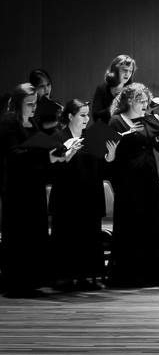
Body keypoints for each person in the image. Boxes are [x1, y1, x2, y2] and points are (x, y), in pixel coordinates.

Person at [0, 84, 66, 297]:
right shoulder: (9, 122)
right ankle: (17, 283)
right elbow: (13, 154)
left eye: (35, 104)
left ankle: (33, 281)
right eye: (29, 104)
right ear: (17, 104)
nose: (33, 108)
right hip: (17, 188)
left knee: (35, 231)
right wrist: (43, 154)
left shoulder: (34, 122)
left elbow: (41, 148)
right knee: (19, 233)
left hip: (34, 185)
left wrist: (54, 154)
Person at [49, 99, 117, 291]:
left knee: (89, 238)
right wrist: (68, 155)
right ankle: (65, 278)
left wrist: (110, 157)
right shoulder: (58, 136)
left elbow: (101, 167)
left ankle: (87, 276)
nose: (87, 119)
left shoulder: (92, 137)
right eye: (83, 115)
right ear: (70, 116)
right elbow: (53, 168)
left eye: (88, 115)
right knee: (68, 238)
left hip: (89, 195)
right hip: (67, 196)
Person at [107, 83, 159, 287]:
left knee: (149, 223)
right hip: (127, 181)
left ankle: (150, 275)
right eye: (141, 102)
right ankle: (128, 276)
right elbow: (112, 152)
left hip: (148, 178)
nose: (145, 105)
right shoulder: (116, 121)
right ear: (130, 101)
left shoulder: (148, 120)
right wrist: (130, 133)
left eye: (146, 102)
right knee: (130, 224)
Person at [91, 54, 136, 124]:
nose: (128, 74)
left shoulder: (132, 90)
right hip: (107, 130)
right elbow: (96, 117)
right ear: (115, 70)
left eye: (130, 71)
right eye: (125, 70)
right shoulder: (102, 88)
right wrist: (114, 107)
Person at [29, 69, 61, 134]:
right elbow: (39, 126)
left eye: (48, 84)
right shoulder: (31, 106)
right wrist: (60, 121)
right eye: (41, 86)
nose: (46, 89)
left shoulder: (56, 104)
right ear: (34, 88)